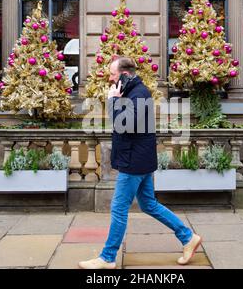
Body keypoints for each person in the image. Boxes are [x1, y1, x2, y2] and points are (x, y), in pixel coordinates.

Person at [78, 57, 201, 269]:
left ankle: (107, 257)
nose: (110, 78)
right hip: (139, 158)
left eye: (113, 75)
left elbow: (123, 125)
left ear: (124, 75)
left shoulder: (138, 94)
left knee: (118, 208)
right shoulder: (133, 92)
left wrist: (112, 100)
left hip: (133, 161)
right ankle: (187, 236)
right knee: (149, 204)